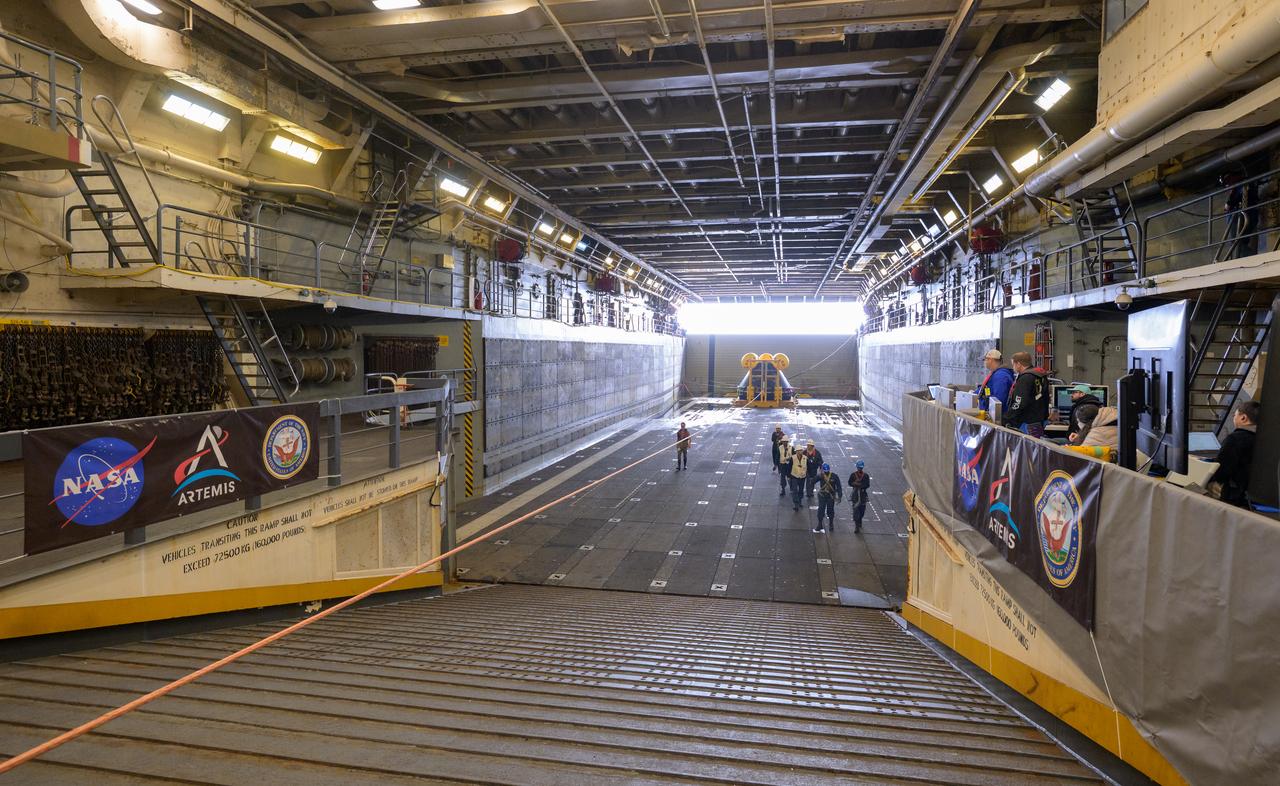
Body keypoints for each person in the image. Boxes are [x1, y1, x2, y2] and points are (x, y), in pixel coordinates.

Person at [1208, 401, 1260, 507]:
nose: (1233, 418)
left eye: (1235, 415)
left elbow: (1220, 473)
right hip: (1262, 497)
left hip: (1237, 498)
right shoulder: (1268, 440)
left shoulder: (1235, 439)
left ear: (1243, 418)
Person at [1003, 351, 1050, 438]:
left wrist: (1007, 418)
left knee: (1026, 449)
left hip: (1026, 422)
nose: (1013, 367)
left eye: (1013, 364)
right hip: (1039, 420)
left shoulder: (1025, 378)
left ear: (1018, 364)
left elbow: (1019, 402)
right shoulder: (1040, 375)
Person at [812, 463, 843, 533]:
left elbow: (839, 486)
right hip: (822, 495)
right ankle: (820, 525)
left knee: (830, 510)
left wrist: (840, 496)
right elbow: (812, 481)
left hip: (830, 496)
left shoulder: (834, 476)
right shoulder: (821, 476)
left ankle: (831, 524)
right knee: (821, 510)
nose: (826, 472)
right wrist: (818, 476)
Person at [848, 460, 871, 533]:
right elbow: (849, 483)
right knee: (856, 510)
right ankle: (856, 526)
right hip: (855, 495)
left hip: (863, 494)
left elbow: (867, 485)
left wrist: (860, 486)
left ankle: (860, 519)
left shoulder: (866, 476)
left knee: (862, 511)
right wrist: (854, 484)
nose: (859, 469)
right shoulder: (853, 475)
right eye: (858, 467)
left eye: (860, 468)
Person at [788, 444, 810, 512]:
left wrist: (808, 474)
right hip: (794, 476)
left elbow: (808, 467)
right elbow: (789, 467)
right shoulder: (792, 458)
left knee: (801, 490)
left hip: (802, 477)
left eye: (800, 450)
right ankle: (796, 504)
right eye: (798, 451)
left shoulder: (805, 458)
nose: (799, 452)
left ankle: (800, 501)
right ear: (796, 451)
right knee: (795, 490)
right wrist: (789, 476)